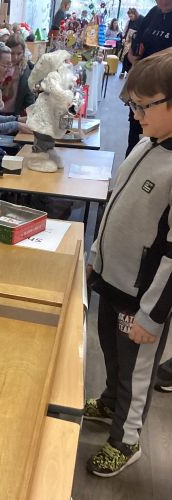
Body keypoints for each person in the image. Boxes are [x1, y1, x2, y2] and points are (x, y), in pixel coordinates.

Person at [84, 48, 172, 477]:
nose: (135, 115)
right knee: (112, 353)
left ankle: (127, 439)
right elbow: (114, 205)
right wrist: (95, 257)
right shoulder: (145, 144)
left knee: (135, 371)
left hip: (142, 299)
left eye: (143, 106)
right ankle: (109, 402)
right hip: (113, 279)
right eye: (132, 105)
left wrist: (152, 316)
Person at [125, 0, 172, 157]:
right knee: (135, 144)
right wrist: (132, 57)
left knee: (161, 151)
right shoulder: (153, 13)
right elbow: (137, 43)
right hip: (142, 94)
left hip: (164, 100)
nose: (162, 2)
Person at [2, 34, 36, 117]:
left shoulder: (25, 70)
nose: (15, 57)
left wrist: (31, 114)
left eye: (19, 53)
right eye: (12, 53)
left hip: (14, 114)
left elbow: (29, 94)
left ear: (23, 52)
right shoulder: (0, 65)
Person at [119, 8, 145, 79]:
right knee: (125, 56)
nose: (130, 18)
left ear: (135, 14)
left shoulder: (142, 19)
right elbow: (126, 29)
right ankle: (122, 71)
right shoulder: (130, 21)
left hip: (136, 43)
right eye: (129, 16)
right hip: (128, 41)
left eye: (131, 16)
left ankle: (129, 73)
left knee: (132, 58)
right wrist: (124, 38)